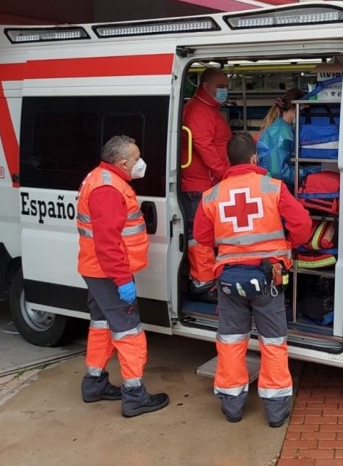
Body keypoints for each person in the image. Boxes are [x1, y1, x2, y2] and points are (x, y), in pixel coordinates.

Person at [194, 132, 312, 427]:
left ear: (229, 161)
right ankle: (274, 410)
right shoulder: (273, 188)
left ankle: (232, 406)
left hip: (229, 281)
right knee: (272, 342)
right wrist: (288, 243)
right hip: (268, 277)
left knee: (232, 341)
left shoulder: (212, 194)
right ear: (255, 158)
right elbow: (303, 226)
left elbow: (202, 237)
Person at [76, 135, 169, 418]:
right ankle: (134, 395)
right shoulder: (108, 189)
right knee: (129, 331)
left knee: (101, 324)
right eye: (137, 157)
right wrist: (122, 280)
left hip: (96, 269)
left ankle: (94, 384)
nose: (141, 162)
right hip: (108, 273)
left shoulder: (100, 178)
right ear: (123, 162)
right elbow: (108, 242)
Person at [181, 68, 232, 299]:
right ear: (207, 87)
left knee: (206, 235)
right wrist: (226, 173)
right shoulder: (198, 112)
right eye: (222, 86)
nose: (226, 91)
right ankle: (202, 284)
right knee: (199, 237)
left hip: (207, 183)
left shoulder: (208, 109)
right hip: (199, 184)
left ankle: (206, 278)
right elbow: (205, 148)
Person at [257, 88, 306, 187]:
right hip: (274, 188)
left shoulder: (283, 128)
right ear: (293, 108)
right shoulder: (281, 133)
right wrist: (305, 173)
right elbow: (278, 171)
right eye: (303, 110)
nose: (304, 115)